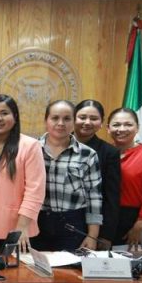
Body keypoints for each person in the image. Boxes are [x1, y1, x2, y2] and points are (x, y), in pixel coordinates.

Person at [0, 94, 45, 253]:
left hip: (15, 223)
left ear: (15, 117)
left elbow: (35, 191)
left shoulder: (30, 145)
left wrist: (21, 227)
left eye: (4, 113)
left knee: (12, 267)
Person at [37, 100, 102, 251]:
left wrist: (92, 236)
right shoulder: (31, 150)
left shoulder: (88, 154)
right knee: (35, 265)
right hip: (37, 222)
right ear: (46, 121)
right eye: (55, 118)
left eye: (67, 119)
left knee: (70, 266)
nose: (61, 123)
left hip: (72, 224)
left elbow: (94, 198)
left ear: (73, 122)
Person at [107, 108, 142, 249]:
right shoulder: (103, 153)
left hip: (134, 220)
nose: (122, 129)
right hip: (106, 218)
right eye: (116, 125)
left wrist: (140, 225)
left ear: (137, 128)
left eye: (128, 124)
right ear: (108, 128)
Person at [73, 100, 121, 245]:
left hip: (94, 226)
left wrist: (106, 235)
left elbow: (111, 196)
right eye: (82, 117)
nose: (87, 122)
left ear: (101, 123)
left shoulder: (109, 152)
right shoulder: (57, 144)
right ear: (73, 118)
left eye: (94, 118)